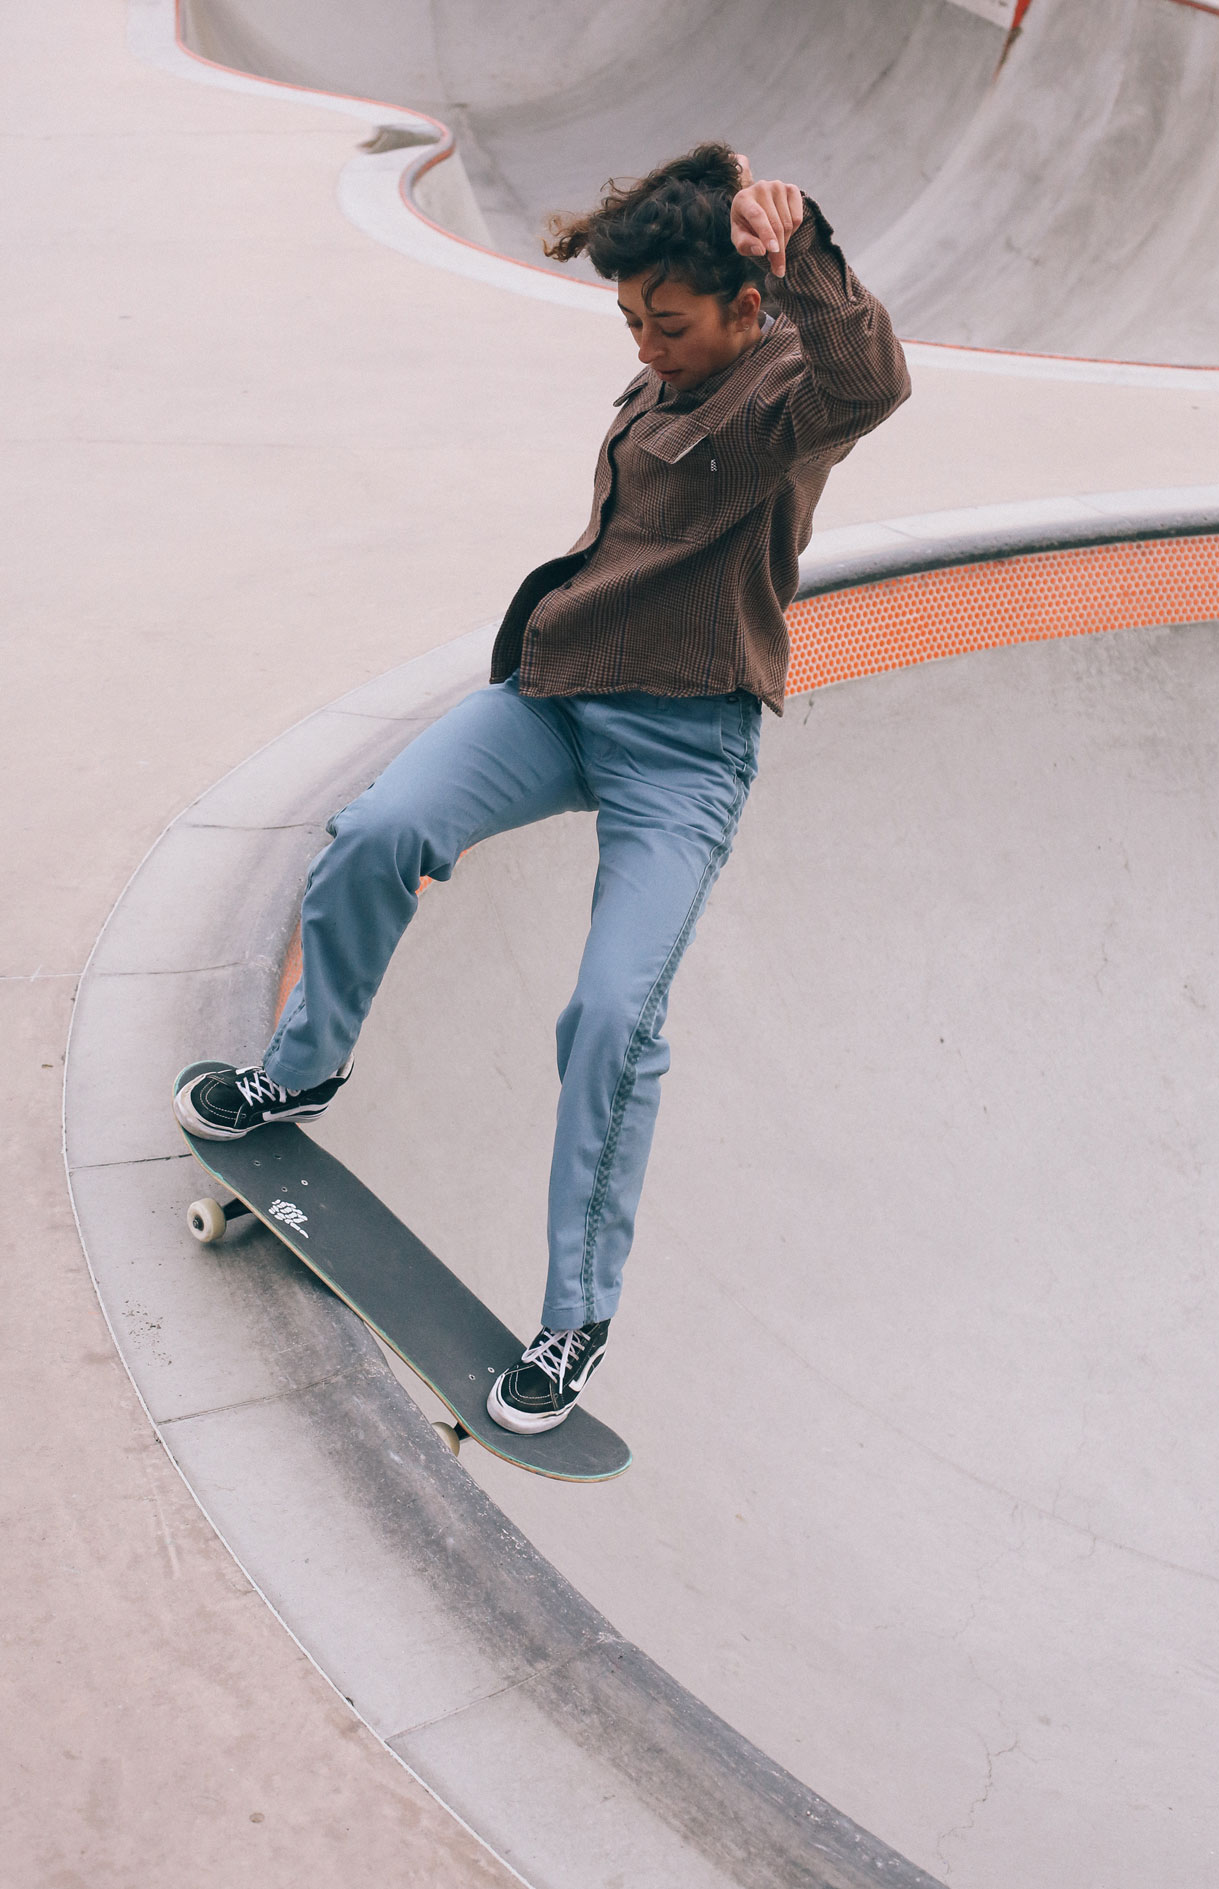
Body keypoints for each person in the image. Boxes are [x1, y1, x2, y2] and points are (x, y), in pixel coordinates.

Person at [175, 144, 910, 1434]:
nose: (647, 344)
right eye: (631, 320)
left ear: (749, 310)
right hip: (558, 698)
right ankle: (302, 1072)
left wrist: (807, 249)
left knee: (612, 1018)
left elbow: (874, 374)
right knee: (376, 830)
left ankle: (574, 1319)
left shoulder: (792, 392)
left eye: (668, 324)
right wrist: (709, 186)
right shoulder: (666, 364)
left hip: (685, 751)